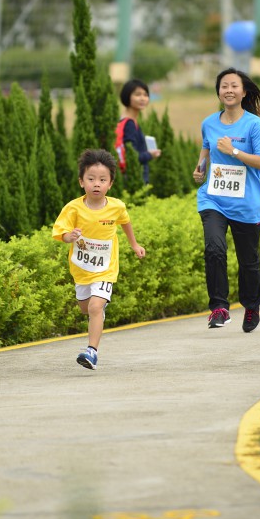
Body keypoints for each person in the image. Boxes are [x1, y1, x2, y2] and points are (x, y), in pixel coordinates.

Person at [193, 67, 260, 333]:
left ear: (243, 92)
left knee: (248, 261)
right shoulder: (209, 122)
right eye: (224, 85)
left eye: (234, 86)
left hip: (246, 203)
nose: (228, 90)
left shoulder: (255, 125)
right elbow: (206, 148)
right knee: (214, 249)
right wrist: (200, 169)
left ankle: (251, 306)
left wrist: (235, 150)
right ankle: (219, 307)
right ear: (218, 91)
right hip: (213, 199)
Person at [52, 148, 145, 370]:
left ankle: (91, 352)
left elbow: (125, 222)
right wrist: (69, 236)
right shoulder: (73, 208)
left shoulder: (117, 206)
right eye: (91, 179)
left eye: (102, 180)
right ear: (81, 182)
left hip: (106, 269)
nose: (96, 184)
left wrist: (134, 244)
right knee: (86, 309)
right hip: (81, 270)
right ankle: (97, 312)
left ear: (110, 184)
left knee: (95, 307)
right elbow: (60, 232)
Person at [117, 79, 161, 183]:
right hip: (134, 179)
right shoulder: (129, 124)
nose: (142, 98)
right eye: (137, 94)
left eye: (145, 95)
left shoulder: (125, 120)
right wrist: (150, 154)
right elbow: (132, 156)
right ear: (127, 96)